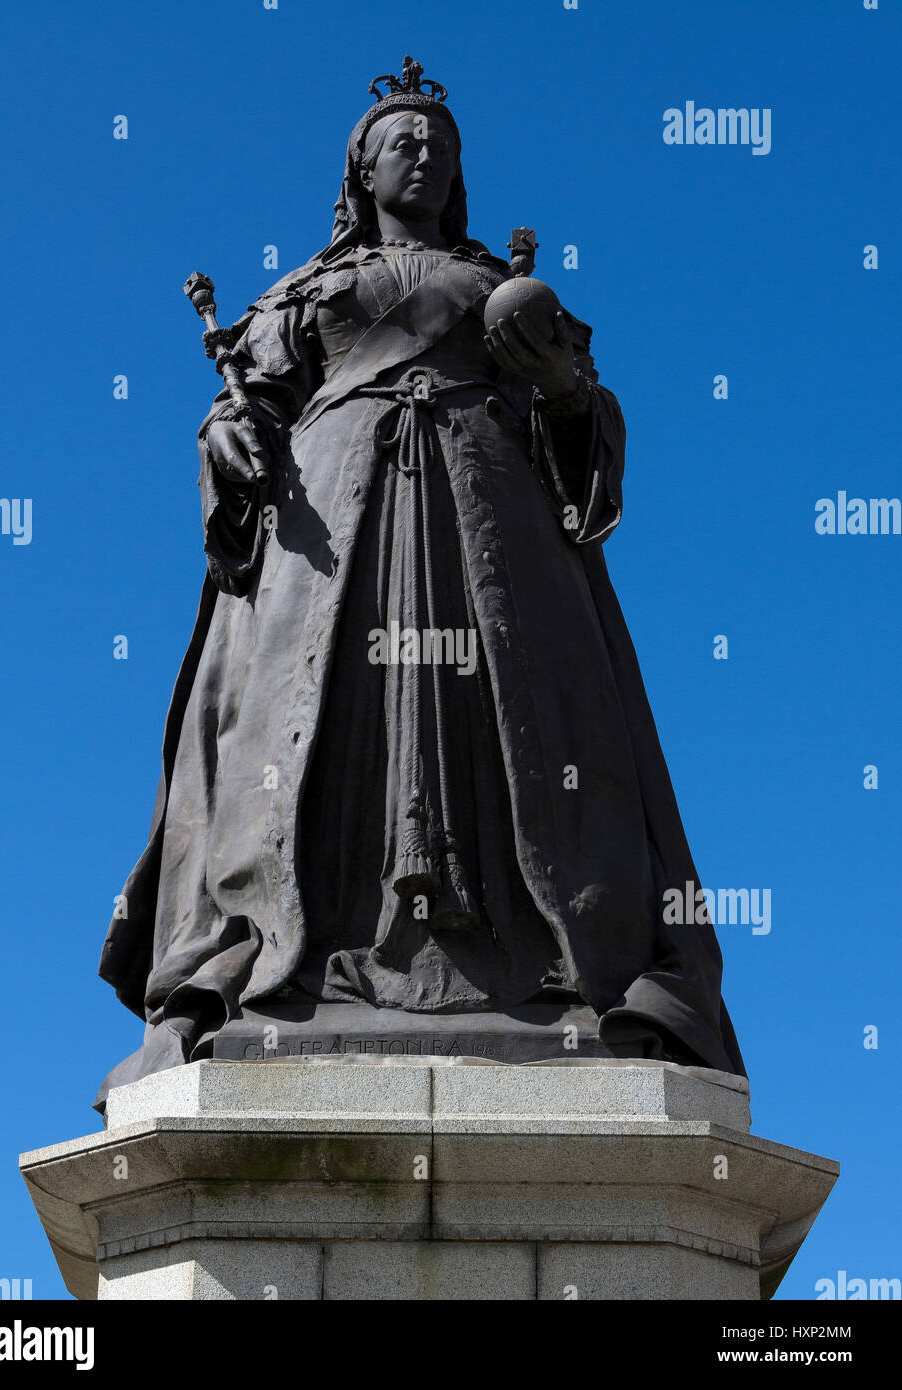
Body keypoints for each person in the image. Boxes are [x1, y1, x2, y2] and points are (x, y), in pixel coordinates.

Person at [96, 58, 745, 1108]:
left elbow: (583, 429)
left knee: (528, 725)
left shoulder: (504, 290)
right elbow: (247, 408)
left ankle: (541, 969)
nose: (423, 152)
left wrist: (565, 389)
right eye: (400, 140)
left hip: (491, 522)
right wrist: (226, 438)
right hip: (329, 518)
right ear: (358, 170)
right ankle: (287, 965)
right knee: (298, 717)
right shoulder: (306, 291)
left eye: (440, 143)